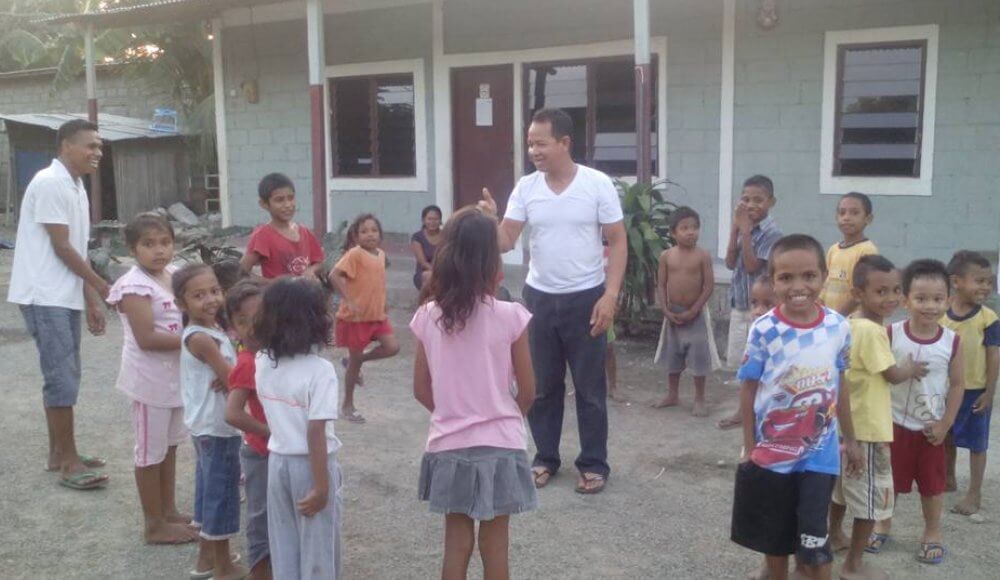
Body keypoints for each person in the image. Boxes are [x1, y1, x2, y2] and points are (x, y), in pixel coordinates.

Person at [479, 107, 627, 495]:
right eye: (530, 143)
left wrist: (610, 296)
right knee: (544, 385)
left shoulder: (596, 185)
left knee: (590, 388)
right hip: (540, 298)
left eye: (540, 143)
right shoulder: (527, 188)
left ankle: (594, 464)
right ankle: (545, 457)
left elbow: (618, 239)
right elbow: (506, 240)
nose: (534, 151)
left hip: (587, 297)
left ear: (564, 143)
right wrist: (490, 221)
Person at [410, 207, 538, 579]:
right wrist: (501, 414)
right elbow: (528, 391)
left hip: (450, 444)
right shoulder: (511, 315)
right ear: (492, 264)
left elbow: (421, 389)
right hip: (501, 442)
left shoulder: (428, 316)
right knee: (496, 547)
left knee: (456, 544)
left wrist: (452, 411)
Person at [730, 234, 861, 580]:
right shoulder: (764, 330)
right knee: (775, 541)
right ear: (773, 282)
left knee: (815, 544)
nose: (798, 286)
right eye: (786, 277)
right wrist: (750, 447)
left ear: (824, 275)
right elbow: (748, 390)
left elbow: (841, 384)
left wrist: (852, 439)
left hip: (820, 456)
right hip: (772, 454)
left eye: (808, 275)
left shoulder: (838, 327)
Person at [7, 119, 110, 490]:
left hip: (62, 295)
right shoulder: (50, 182)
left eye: (99, 147)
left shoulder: (76, 185)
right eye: (90, 146)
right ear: (66, 146)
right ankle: (68, 461)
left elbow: (76, 248)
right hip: (43, 294)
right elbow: (61, 246)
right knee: (61, 377)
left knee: (66, 374)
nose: (97, 153)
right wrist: (100, 285)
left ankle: (60, 453)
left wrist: (89, 298)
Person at [827, 255, 928, 579]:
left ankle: (835, 537)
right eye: (881, 291)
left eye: (897, 290)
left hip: (846, 427)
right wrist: (911, 368)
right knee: (871, 501)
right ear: (859, 294)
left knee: (841, 492)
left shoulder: (850, 325)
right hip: (867, 431)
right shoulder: (872, 332)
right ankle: (854, 565)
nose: (891, 298)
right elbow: (892, 375)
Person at [106, 213, 198, 544]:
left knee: (170, 447)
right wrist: (196, 339)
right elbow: (146, 338)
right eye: (148, 244)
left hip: (175, 379)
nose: (159, 251)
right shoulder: (133, 286)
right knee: (148, 452)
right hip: (149, 382)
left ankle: (168, 510)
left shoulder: (172, 275)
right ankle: (153, 524)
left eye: (165, 242)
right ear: (133, 249)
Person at [870, 259, 964, 566]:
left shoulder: (952, 342)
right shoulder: (891, 334)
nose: (930, 306)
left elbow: (959, 384)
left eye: (938, 299)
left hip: (929, 429)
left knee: (932, 486)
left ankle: (932, 532)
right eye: (921, 298)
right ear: (905, 300)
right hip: (893, 424)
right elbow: (878, 376)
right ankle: (883, 523)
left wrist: (945, 423)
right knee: (888, 482)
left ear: (948, 301)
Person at [254, 277, 343, 579]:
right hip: (312, 466)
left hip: (278, 463)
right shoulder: (321, 371)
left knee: (284, 543)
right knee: (317, 547)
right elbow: (315, 432)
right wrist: (321, 486)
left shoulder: (262, 361)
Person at [175, 264, 248, 580]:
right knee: (221, 496)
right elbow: (234, 380)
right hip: (217, 428)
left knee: (208, 492)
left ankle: (206, 558)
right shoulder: (202, 338)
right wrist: (233, 375)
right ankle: (222, 568)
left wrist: (228, 373)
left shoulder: (212, 331)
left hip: (207, 426)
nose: (210, 299)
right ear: (182, 303)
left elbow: (227, 375)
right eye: (198, 295)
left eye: (215, 291)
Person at [941, 250, 999, 516]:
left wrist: (989, 393)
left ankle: (974, 493)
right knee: (946, 435)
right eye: (979, 281)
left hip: (975, 391)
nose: (986, 287)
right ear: (957, 282)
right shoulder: (942, 314)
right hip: (945, 390)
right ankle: (948, 478)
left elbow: (994, 356)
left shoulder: (988, 319)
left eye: (989, 281)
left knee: (977, 443)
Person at [330, 214, 400, 423]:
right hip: (356, 318)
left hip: (377, 316)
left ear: (380, 233)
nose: (370, 235)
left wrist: (383, 302)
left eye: (374, 230)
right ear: (356, 235)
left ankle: (356, 361)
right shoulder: (355, 254)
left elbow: (376, 282)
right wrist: (348, 299)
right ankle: (348, 405)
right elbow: (334, 275)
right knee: (354, 363)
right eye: (364, 231)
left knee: (392, 347)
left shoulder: (380, 255)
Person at [224, 278, 272, 580]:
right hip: (260, 453)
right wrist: (270, 431)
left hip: (279, 452)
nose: (251, 328)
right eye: (242, 322)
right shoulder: (248, 362)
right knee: (261, 519)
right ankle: (260, 573)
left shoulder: (274, 354)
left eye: (258, 319)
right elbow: (232, 413)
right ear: (232, 328)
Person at [653, 206, 715, 417]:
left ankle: (699, 398)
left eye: (695, 227)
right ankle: (672, 394)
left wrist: (694, 310)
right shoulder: (666, 256)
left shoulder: (702, 255)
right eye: (685, 228)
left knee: (698, 355)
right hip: (673, 314)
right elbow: (661, 284)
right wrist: (665, 309)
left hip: (695, 315)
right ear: (673, 233)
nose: (691, 232)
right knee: (673, 355)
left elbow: (708, 286)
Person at [724, 175, 782, 371]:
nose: (751, 205)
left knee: (758, 364)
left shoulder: (772, 233)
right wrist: (735, 229)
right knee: (738, 364)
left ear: (771, 202)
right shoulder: (742, 228)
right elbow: (730, 263)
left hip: (760, 309)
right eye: (746, 199)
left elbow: (752, 266)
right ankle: (742, 400)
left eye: (758, 200)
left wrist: (746, 231)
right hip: (739, 303)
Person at [240, 172, 324, 279]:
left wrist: (311, 270)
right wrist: (269, 283)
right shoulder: (262, 236)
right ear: (264, 204)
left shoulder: (304, 232)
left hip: (304, 294)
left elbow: (319, 262)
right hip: (278, 295)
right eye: (279, 200)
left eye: (291, 198)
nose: (288, 205)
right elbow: (241, 271)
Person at [819, 192, 878, 316]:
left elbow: (860, 292)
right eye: (842, 213)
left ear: (868, 219)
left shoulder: (866, 250)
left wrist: (838, 317)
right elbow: (825, 284)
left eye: (854, 213)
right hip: (831, 318)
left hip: (854, 320)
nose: (846, 217)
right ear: (836, 217)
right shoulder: (833, 249)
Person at [410, 204, 443, 290]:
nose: (432, 222)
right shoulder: (417, 237)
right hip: (425, 272)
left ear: (440, 221)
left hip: (444, 269)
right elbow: (423, 262)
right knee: (429, 277)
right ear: (424, 220)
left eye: (436, 219)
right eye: (429, 219)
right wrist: (437, 273)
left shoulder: (446, 235)